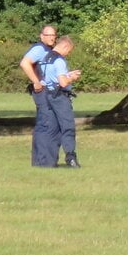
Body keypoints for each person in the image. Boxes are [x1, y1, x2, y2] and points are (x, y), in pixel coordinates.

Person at [40, 35, 82, 168]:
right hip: (60, 97)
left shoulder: (46, 59)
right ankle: (71, 157)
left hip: (48, 95)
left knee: (53, 128)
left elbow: (51, 78)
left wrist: (67, 74)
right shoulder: (59, 60)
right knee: (67, 127)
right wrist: (73, 78)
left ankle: (49, 160)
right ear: (64, 46)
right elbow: (63, 82)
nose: (67, 54)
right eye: (68, 51)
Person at [20, 25, 59, 167]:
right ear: (41, 36)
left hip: (47, 92)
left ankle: (41, 161)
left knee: (45, 123)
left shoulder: (49, 50)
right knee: (46, 124)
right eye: (48, 35)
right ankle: (43, 161)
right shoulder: (39, 49)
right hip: (42, 92)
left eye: (53, 35)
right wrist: (36, 82)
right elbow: (24, 63)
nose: (51, 37)